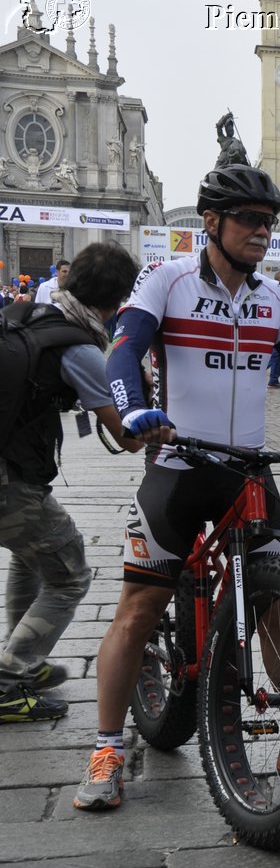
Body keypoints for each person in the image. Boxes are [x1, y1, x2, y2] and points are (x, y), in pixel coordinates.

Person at [73, 165, 280, 811]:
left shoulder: (274, 298)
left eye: (269, 221)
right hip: (180, 467)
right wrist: (134, 412)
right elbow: (123, 352)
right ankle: (106, 748)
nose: (262, 231)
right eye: (249, 219)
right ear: (211, 222)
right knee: (138, 610)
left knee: (278, 600)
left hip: (247, 470)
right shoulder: (169, 281)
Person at [1, 244, 153, 723]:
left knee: (33, 554)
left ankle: (21, 664)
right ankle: (8, 680)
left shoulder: (22, 314)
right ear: (117, 302)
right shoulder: (78, 346)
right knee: (69, 570)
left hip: (13, 473)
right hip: (9, 482)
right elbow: (127, 437)